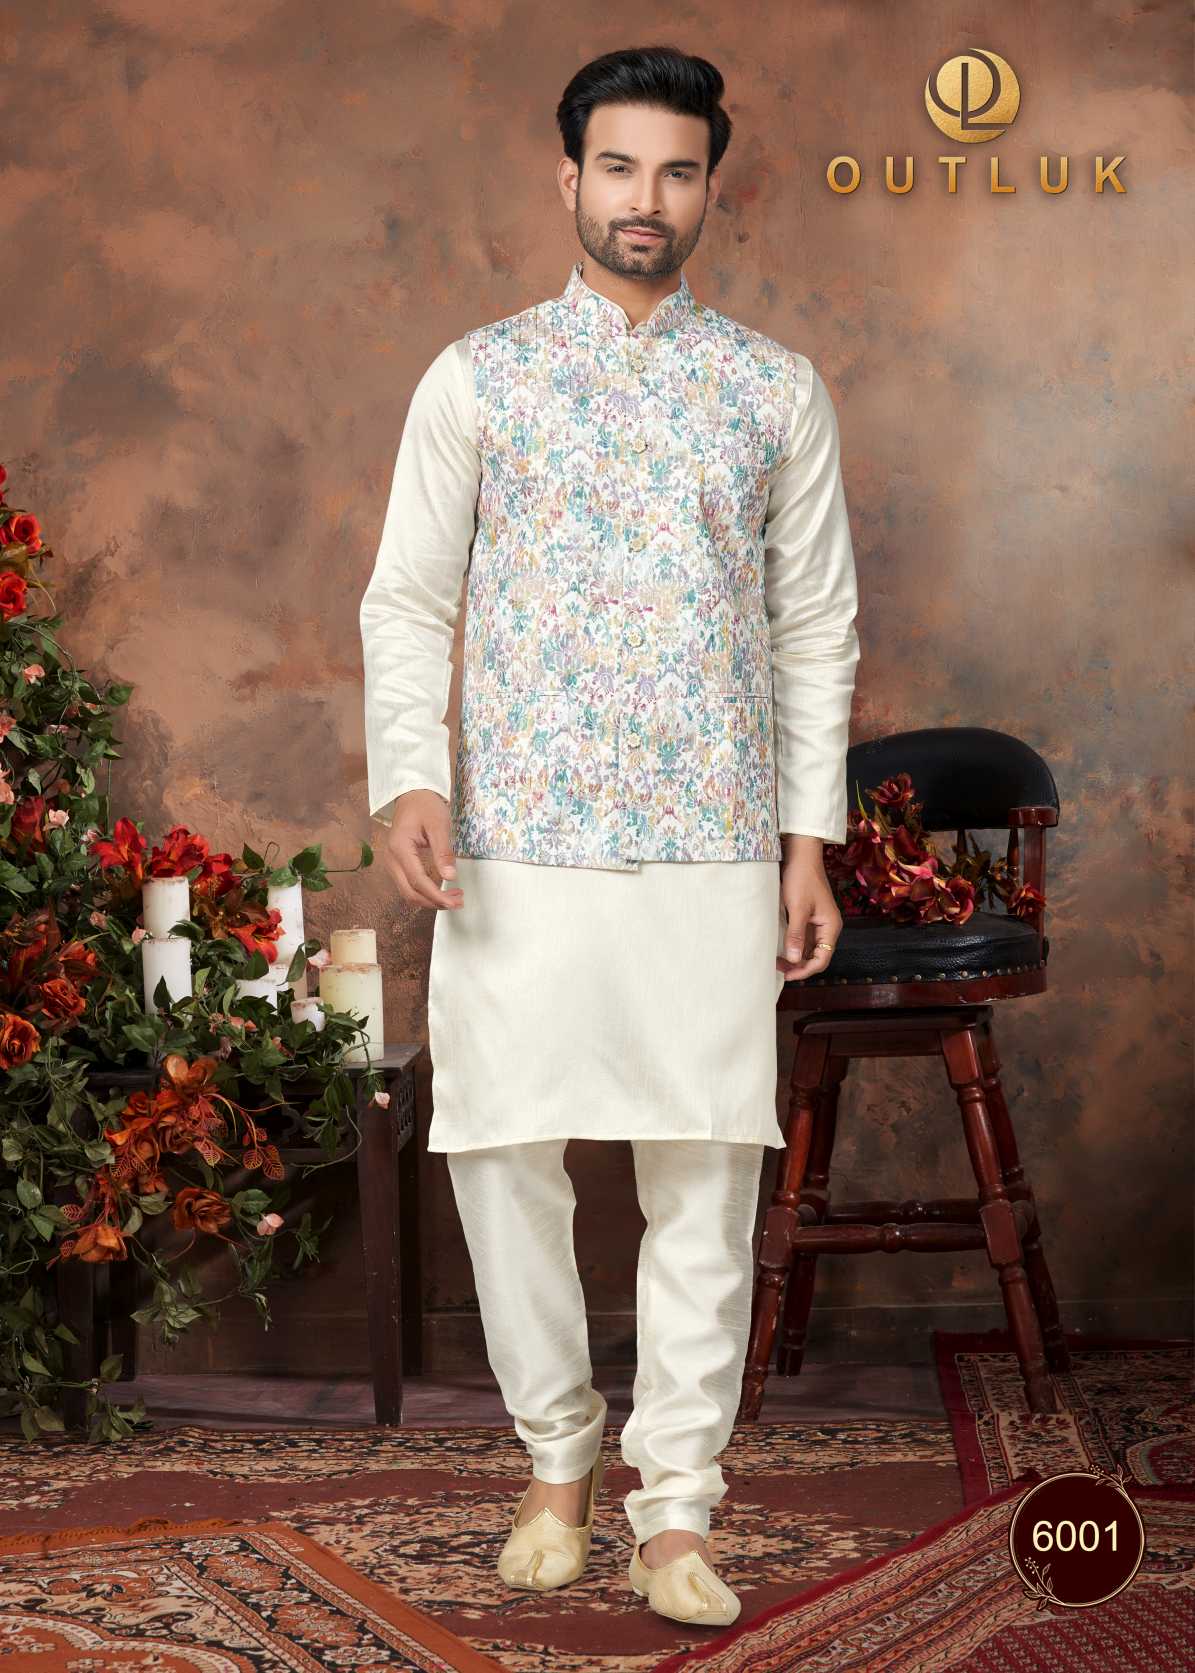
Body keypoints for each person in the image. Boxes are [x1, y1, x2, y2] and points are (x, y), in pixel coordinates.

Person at [358, 43, 861, 1629]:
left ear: (711, 188)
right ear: (567, 177)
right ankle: (557, 1461)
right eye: (622, 167)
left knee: (705, 1170)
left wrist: (808, 840)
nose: (649, 199)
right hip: (516, 840)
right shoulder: (478, 378)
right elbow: (408, 598)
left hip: (711, 842)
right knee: (501, 1151)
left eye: (679, 171)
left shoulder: (772, 389)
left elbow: (815, 626)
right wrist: (409, 779)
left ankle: (678, 1507)